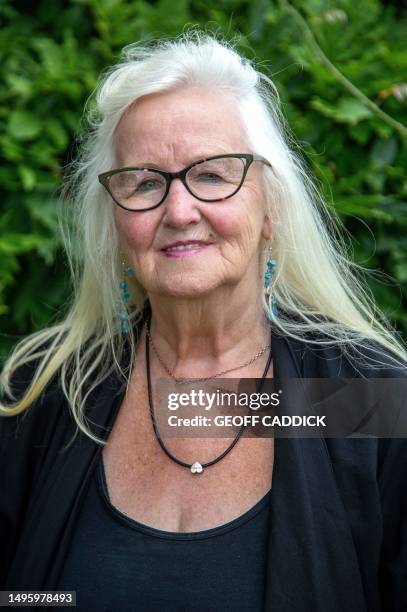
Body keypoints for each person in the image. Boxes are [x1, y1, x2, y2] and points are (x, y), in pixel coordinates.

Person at [1, 31, 406, 612]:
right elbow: (22, 596)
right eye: (144, 182)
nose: (179, 211)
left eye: (213, 175)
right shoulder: (44, 396)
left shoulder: (365, 398)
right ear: (115, 223)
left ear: (271, 208)